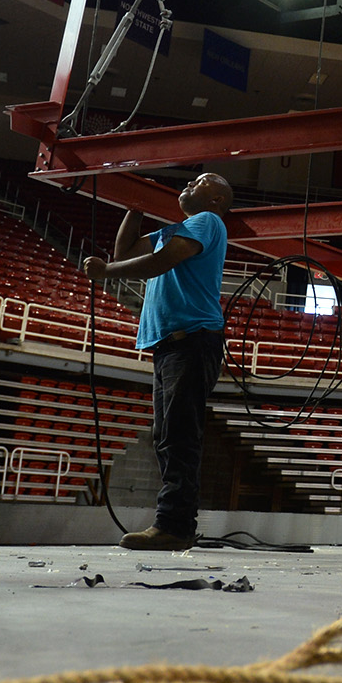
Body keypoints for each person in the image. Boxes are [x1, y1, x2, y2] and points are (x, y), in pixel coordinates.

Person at [82, 173, 231, 552]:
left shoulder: (207, 222)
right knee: (167, 436)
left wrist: (105, 275)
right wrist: (135, 207)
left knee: (179, 435)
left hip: (192, 341)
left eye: (200, 183)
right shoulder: (177, 228)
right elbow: (126, 251)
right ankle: (173, 524)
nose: (188, 185)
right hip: (171, 345)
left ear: (216, 200)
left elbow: (157, 263)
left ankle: (175, 525)